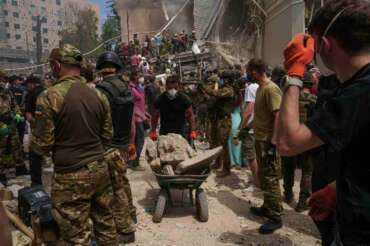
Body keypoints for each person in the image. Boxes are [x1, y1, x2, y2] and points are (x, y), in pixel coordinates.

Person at [278, 1, 370, 244]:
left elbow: (288, 143)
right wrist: (340, 189)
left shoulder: (359, 92)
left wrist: (295, 73)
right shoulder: (356, 86)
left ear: (326, 45)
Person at [31, 44, 118, 245]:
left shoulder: (49, 96)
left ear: (57, 65)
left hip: (70, 175)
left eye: (52, 65)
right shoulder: (99, 95)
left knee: (76, 236)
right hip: (100, 169)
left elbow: (43, 145)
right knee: (105, 225)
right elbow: (107, 136)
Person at [95, 51, 137, 243]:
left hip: (108, 145)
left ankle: (125, 229)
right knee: (122, 181)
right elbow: (132, 123)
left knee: (115, 188)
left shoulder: (101, 90)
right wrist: (130, 142)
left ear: (101, 70)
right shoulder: (126, 89)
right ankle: (131, 215)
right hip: (121, 143)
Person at [247, 59, 283, 234]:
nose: (248, 74)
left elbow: (278, 116)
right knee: (264, 175)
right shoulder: (261, 88)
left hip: (268, 141)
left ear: (255, 71)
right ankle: (267, 207)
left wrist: (273, 143)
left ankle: (276, 217)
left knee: (270, 178)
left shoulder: (271, 89)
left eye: (249, 71)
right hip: (260, 139)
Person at [281, 72, 316, 212]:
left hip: (291, 138)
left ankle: (288, 195)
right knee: (307, 171)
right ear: (312, 84)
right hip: (307, 139)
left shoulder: (291, 99)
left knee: (288, 167)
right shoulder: (315, 100)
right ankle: (302, 202)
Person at [203, 70, 238, 177]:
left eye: (222, 78)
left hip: (225, 120)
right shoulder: (225, 88)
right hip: (218, 118)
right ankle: (218, 163)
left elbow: (215, 93)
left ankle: (226, 169)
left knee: (223, 144)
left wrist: (205, 87)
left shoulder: (229, 90)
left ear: (227, 79)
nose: (220, 80)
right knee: (215, 141)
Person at [150, 74, 196, 140]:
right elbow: (155, 116)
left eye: (175, 88)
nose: (172, 90)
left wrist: (193, 131)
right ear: (166, 87)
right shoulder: (160, 99)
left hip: (180, 133)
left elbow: (190, 115)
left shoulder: (184, 99)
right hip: (165, 133)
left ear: (178, 87)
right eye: (170, 88)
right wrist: (153, 131)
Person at [0, 70, 27, 184]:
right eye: (2, 78)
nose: (4, 81)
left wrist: (18, 114)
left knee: (16, 146)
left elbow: (14, 104)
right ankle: (1, 173)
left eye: (5, 79)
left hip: (11, 123)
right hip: (1, 124)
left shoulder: (7, 92)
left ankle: (20, 168)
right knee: (1, 149)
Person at [238, 76, 260, 189]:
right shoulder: (259, 86)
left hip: (250, 128)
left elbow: (249, 109)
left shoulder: (250, 88)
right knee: (257, 155)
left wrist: (242, 127)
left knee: (251, 157)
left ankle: (257, 183)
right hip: (258, 126)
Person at [24, 76, 45, 186]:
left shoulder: (30, 95)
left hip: (38, 130)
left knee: (34, 155)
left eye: (27, 86)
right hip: (54, 129)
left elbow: (28, 115)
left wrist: (34, 124)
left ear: (31, 84)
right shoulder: (49, 91)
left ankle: (36, 183)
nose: (27, 88)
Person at [129, 70, 149, 170]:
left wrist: (145, 113)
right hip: (136, 118)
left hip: (140, 116)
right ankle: (135, 163)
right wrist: (142, 116)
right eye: (138, 75)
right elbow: (132, 106)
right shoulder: (131, 89)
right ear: (133, 76)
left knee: (138, 140)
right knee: (139, 140)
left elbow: (139, 103)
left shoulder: (137, 87)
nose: (140, 77)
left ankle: (133, 161)